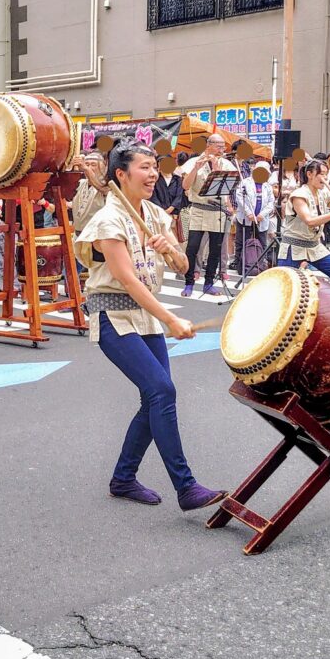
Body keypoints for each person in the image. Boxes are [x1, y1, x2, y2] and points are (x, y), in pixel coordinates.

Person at [74, 141, 226, 511]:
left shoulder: (156, 214)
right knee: (161, 391)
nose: (153, 172)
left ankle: (123, 478)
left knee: (155, 396)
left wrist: (168, 249)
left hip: (145, 317)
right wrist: (171, 318)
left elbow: (182, 267)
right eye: (144, 166)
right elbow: (128, 281)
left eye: (154, 165)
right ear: (121, 175)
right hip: (114, 317)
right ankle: (186, 486)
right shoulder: (107, 221)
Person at [279, 159, 330, 290]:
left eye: (326, 174)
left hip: (315, 246)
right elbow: (310, 221)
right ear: (309, 174)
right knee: (286, 285)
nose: (325, 178)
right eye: (322, 174)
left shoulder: (323, 193)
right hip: (294, 247)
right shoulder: (299, 195)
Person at [179, 133, 236, 296]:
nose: (221, 150)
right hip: (198, 208)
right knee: (192, 247)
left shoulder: (226, 164)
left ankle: (209, 282)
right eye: (218, 146)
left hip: (217, 211)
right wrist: (197, 168)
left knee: (215, 249)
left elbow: (224, 187)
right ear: (208, 145)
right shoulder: (193, 162)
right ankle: (189, 282)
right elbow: (185, 185)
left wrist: (215, 164)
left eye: (223, 146)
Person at [231, 162, 276, 278]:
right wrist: (249, 213)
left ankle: (260, 265)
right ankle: (240, 264)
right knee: (242, 241)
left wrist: (262, 214)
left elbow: (271, 202)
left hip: (262, 219)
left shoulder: (267, 186)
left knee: (262, 242)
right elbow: (240, 198)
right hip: (245, 218)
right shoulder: (245, 183)